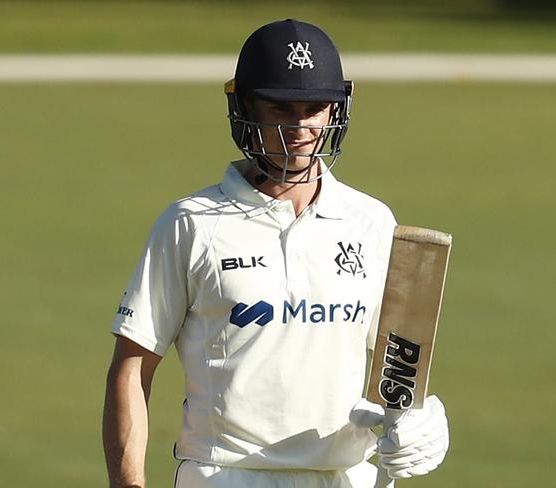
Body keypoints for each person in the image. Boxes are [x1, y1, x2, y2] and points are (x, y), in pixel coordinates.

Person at [103, 19, 449, 488]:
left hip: (345, 477)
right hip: (226, 474)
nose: (302, 125)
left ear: (336, 110)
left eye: (315, 108)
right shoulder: (191, 222)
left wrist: (420, 417)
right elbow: (131, 369)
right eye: (281, 108)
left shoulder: (372, 222)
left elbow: (400, 362)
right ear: (245, 108)